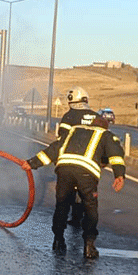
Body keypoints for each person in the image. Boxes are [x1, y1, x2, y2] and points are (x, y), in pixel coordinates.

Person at [27, 87, 126, 258]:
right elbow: (116, 155)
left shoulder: (73, 129)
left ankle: (58, 240)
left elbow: (53, 149)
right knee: (90, 207)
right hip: (87, 173)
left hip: (64, 169)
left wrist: (30, 164)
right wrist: (119, 175)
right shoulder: (106, 134)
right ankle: (89, 246)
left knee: (61, 205)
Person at [55, 86, 105, 227]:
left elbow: (62, 139)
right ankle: (83, 222)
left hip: (69, 161)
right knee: (88, 194)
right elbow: (104, 140)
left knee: (65, 194)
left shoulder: (69, 117)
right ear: (86, 100)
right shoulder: (97, 117)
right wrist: (103, 160)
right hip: (90, 162)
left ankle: (61, 230)